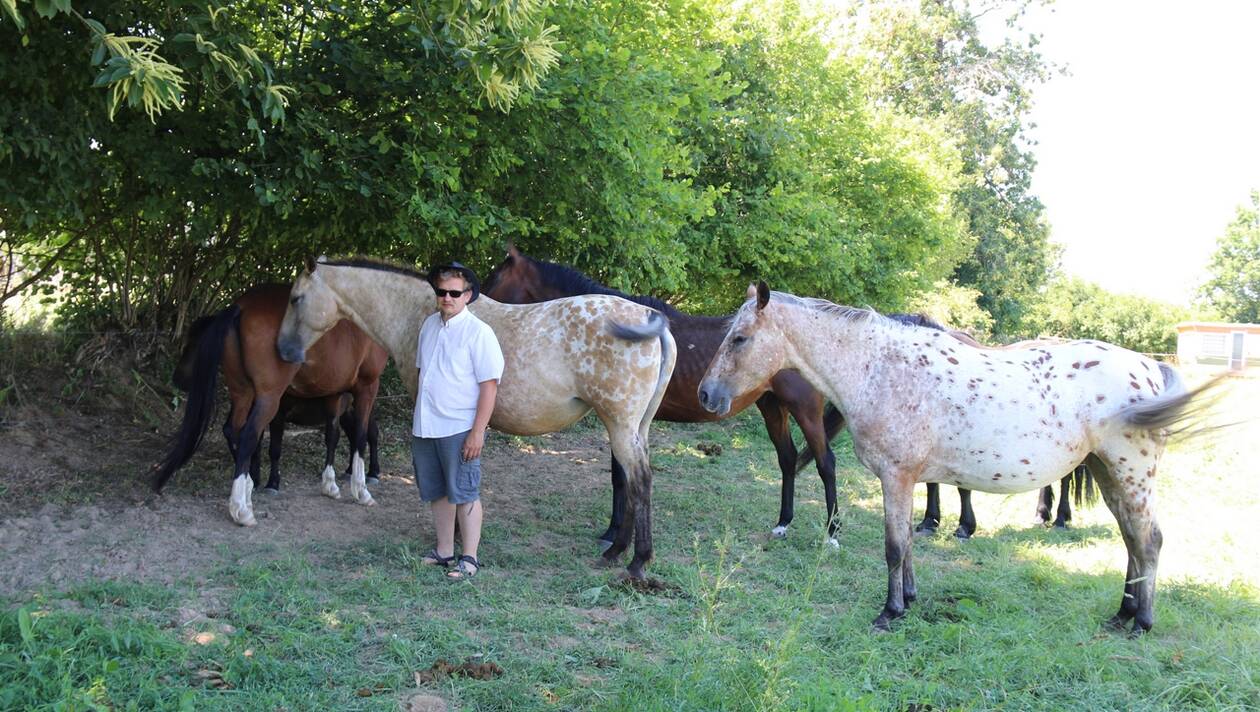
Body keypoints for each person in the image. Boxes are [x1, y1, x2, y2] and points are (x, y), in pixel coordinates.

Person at [413, 262, 504, 579]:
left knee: (464, 491)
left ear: (468, 296)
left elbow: (489, 387)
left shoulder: (479, 333)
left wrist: (477, 432)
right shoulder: (429, 326)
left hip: (459, 427)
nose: (447, 297)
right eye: (441, 292)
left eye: (454, 292)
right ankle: (443, 551)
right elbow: (423, 374)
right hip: (426, 425)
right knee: (437, 490)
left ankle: (469, 558)